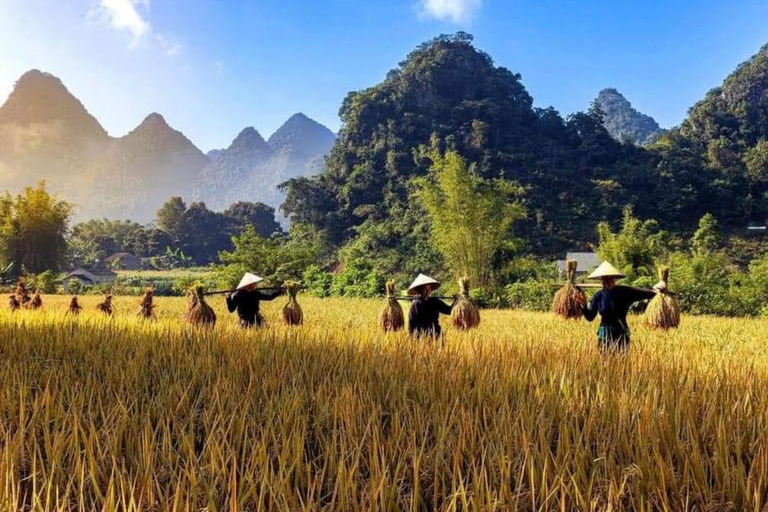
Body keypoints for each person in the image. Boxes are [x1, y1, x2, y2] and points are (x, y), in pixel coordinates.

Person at [582, 262, 665, 351]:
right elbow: (590, 317)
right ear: (602, 280)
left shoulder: (624, 292)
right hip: (605, 334)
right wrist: (582, 304)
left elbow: (641, 293)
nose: (609, 281)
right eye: (606, 279)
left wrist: (656, 291)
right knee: (605, 361)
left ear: (615, 279)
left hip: (621, 332)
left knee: (622, 360)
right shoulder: (598, 296)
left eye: (611, 278)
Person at [407, 273, 456, 339]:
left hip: (435, 333)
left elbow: (449, 311)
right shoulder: (415, 304)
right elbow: (411, 323)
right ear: (420, 290)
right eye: (425, 289)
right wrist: (411, 337)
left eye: (429, 289)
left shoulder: (435, 301)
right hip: (421, 336)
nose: (428, 291)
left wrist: (455, 301)